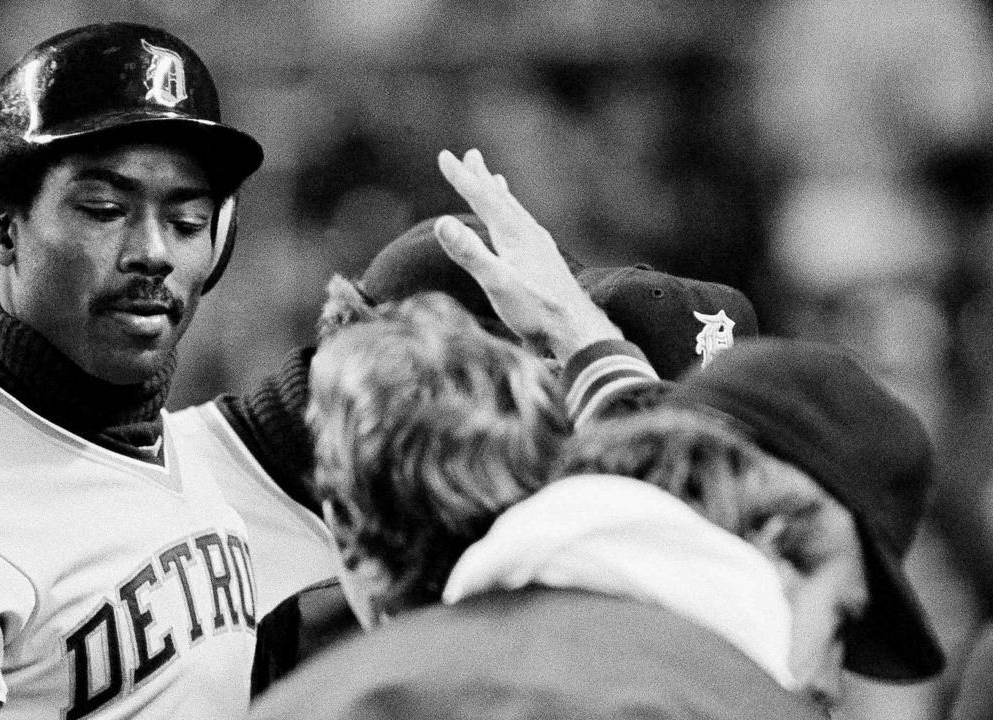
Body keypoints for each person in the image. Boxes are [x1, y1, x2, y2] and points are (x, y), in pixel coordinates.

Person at [251, 153, 945, 718]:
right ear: (769, 535)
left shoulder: (331, 690)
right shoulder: (721, 696)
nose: (831, 683)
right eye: (840, 620)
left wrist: (582, 336)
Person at [0, 23, 338, 720]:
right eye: (104, 210)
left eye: (187, 220)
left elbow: (391, 344)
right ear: (2, 229)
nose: (153, 252)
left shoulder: (201, 454)